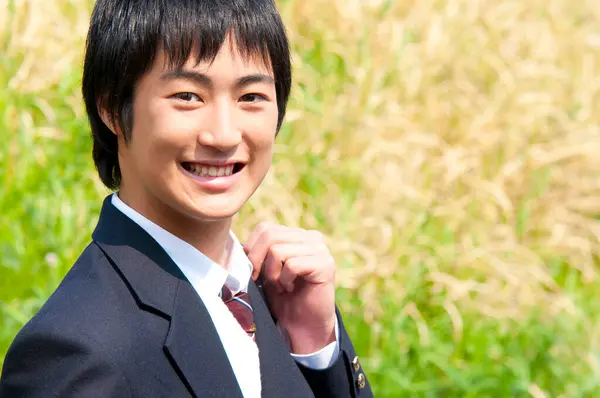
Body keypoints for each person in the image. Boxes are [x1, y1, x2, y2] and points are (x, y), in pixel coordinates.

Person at [0, 0, 372, 397]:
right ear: (110, 106)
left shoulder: (271, 298)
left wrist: (314, 348)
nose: (224, 135)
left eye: (251, 96)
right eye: (188, 96)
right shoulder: (77, 352)